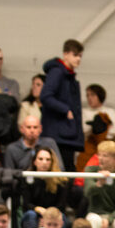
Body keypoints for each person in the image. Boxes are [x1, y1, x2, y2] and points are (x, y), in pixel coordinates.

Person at [39, 40, 85, 171]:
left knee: (67, 169)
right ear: (65, 54)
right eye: (75, 55)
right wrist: (66, 110)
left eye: (80, 56)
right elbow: (45, 96)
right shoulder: (57, 72)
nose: (78, 59)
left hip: (65, 133)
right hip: (59, 133)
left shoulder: (67, 75)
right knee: (63, 170)